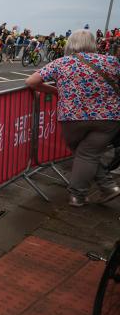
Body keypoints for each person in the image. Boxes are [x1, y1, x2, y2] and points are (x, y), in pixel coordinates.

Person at [26, 30, 120, 207]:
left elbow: (31, 82)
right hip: (109, 118)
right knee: (89, 153)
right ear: (94, 44)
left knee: (84, 153)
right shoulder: (111, 61)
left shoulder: (62, 62)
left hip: (73, 117)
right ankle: (108, 187)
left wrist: (56, 91)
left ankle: (78, 195)